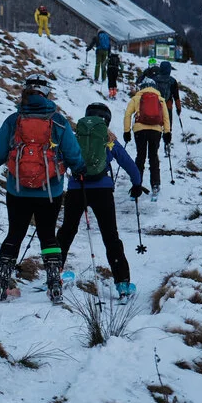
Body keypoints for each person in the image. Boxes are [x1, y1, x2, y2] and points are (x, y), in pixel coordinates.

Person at [0, 74, 85, 302]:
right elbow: (72, 154)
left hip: (17, 190)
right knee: (48, 235)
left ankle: (1, 284)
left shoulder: (13, 120)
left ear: (25, 94)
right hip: (50, 190)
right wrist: (80, 167)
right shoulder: (58, 121)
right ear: (47, 95)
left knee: (15, 233)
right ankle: (54, 284)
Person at [59, 103, 144, 301]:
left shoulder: (76, 137)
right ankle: (122, 283)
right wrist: (137, 183)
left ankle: (55, 273)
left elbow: (62, 158)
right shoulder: (109, 140)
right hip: (102, 190)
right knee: (110, 236)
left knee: (67, 231)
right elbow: (129, 164)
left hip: (75, 188)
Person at [123, 78, 171, 198]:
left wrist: (127, 131)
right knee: (153, 157)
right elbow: (166, 117)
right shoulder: (160, 99)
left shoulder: (136, 98)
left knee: (140, 156)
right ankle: (155, 185)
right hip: (156, 131)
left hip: (140, 130)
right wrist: (167, 132)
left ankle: (137, 184)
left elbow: (127, 114)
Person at [136, 59, 182, 129]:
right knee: (168, 124)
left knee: (156, 123)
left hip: (156, 104)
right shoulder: (172, 81)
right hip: (168, 105)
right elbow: (176, 97)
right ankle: (168, 132)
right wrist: (178, 109)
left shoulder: (154, 79)